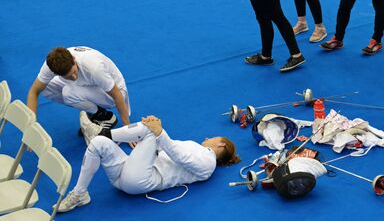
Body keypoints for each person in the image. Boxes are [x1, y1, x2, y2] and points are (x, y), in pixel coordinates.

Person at [57, 114, 240, 212]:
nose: (207, 138)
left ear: (221, 144)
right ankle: (80, 193)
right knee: (99, 145)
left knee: (151, 130)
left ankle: (103, 132)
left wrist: (158, 132)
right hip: (128, 172)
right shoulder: (195, 147)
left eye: (212, 138)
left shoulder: (209, 163)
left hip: (142, 180)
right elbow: (166, 150)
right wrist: (153, 133)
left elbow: (180, 157)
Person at [27, 46, 131, 129]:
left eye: (74, 72)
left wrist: (127, 128)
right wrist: (31, 128)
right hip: (89, 84)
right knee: (46, 87)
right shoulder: (50, 66)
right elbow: (34, 92)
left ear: (73, 59)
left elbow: (117, 94)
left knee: (68, 93)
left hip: (114, 93)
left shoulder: (94, 68)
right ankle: (94, 111)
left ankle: (105, 117)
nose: (74, 77)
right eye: (68, 76)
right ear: (55, 73)